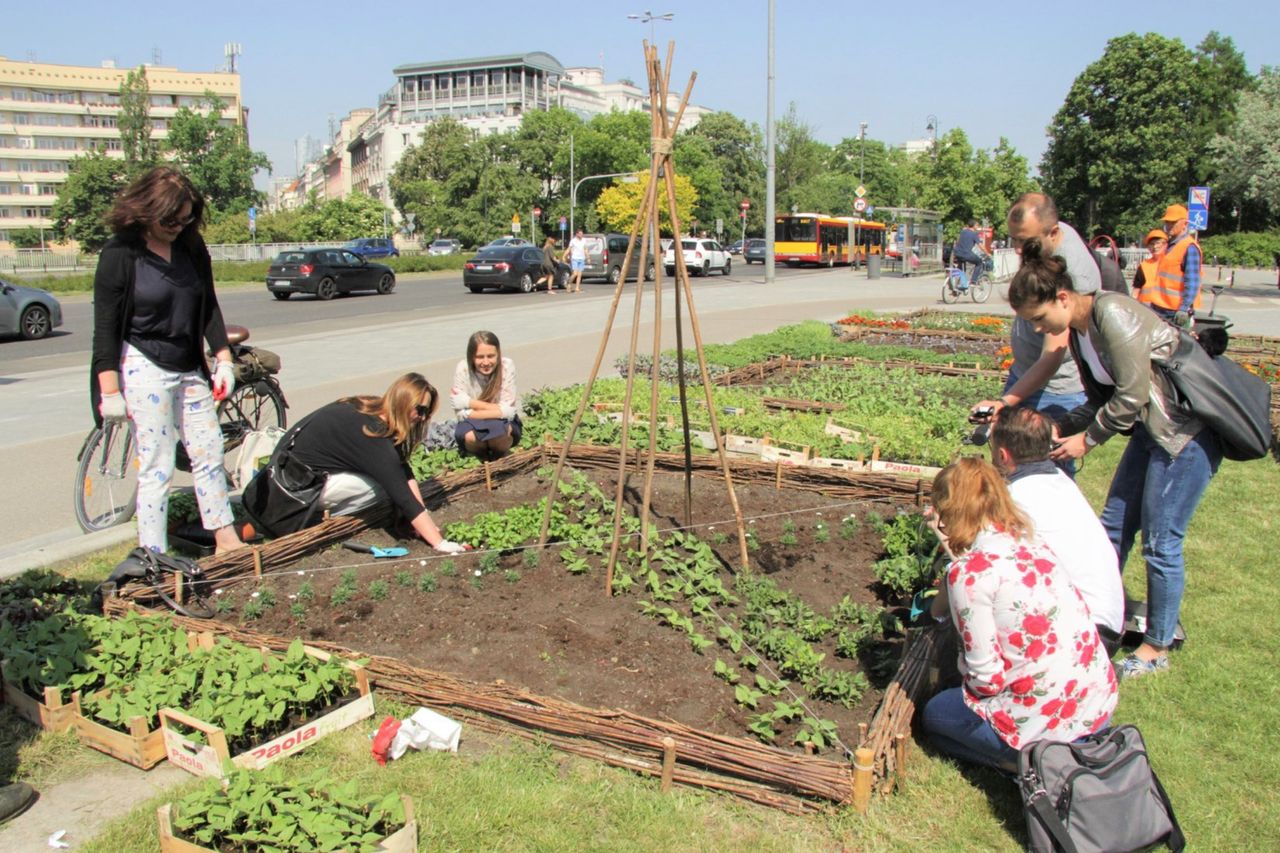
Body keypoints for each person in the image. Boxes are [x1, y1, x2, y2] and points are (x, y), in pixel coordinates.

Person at [1008, 242, 1222, 679]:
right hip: (1151, 432)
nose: (1037, 328)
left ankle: (1156, 646)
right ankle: (1097, 614)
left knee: (1161, 543)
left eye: (1039, 318)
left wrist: (1086, 440)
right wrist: (1065, 425)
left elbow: (1132, 395)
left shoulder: (1112, 315)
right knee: (1114, 526)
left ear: (1063, 298)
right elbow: (1101, 398)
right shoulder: (1084, 334)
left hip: (1183, 436)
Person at [921, 458, 1117, 772]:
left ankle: (1030, 766)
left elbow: (986, 681)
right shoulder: (1030, 540)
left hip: (1048, 724)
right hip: (1095, 703)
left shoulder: (971, 575)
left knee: (935, 715)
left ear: (950, 511)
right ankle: (1046, 756)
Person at [90, 166, 245, 555]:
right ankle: (153, 555)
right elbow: (105, 329)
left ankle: (225, 540)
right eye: (170, 220)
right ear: (146, 211)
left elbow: (208, 304)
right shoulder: (120, 254)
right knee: (157, 464)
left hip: (189, 364)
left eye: (186, 218)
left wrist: (222, 358)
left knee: (208, 451)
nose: (178, 226)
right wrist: (109, 391)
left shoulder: (191, 248)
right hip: (144, 363)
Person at [972, 193, 1102, 476]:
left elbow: (1053, 355)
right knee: (1006, 459)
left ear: (1053, 232)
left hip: (1057, 388)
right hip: (1025, 373)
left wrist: (1005, 402)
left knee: (1046, 468)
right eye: (1014, 239)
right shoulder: (1045, 239)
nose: (1018, 249)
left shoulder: (1073, 274)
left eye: (1024, 241)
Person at [988, 406, 1125, 656]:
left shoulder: (1015, 499)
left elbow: (980, 569)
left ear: (1003, 455)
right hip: (1108, 621)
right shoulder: (1061, 482)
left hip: (1083, 636)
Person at [286, 373, 466, 554]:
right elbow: (401, 493)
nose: (422, 417)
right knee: (381, 488)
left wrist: (423, 516)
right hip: (295, 489)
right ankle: (320, 517)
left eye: (426, 412)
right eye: (420, 409)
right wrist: (439, 543)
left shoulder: (374, 408)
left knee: (390, 479)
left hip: (290, 471)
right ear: (403, 401)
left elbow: (403, 468)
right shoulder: (374, 436)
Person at [451, 330, 521, 460]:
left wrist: (469, 404)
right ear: (471, 356)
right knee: (471, 437)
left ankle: (498, 455)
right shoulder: (462, 368)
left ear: (498, 354)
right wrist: (500, 410)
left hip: (501, 421)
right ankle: (482, 457)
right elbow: (460, 415)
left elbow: (509, 412)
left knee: (500, 437)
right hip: (472, 422)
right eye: (480, 357)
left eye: (491, 356)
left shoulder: (506, 366)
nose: (486, 362)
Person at [1144, 204, 1202, 327]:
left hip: (1174, 311)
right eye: (1167, 222)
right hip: (1159, 306)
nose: (1169, 225)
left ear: (1184, 224)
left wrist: (1184, 308)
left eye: (1173, 222)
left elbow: (1192, 282)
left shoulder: (1189, 247)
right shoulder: (1170, 245)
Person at [1131, 229, 1168, 305]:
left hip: (1166, 310)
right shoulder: (1144, 266)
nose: (1155, 246)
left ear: (1165, 244)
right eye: (1151, 244)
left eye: (1158, 243)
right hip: (1146, 309)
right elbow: (1136, 291)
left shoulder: (1172, 263)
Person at [952, 219, 986, 284]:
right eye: (977, 225)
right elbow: (981, 246)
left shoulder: (963, 231)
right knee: (979, 263)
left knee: (962, 270)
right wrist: (988, 254)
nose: (978, 226)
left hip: (957, 253)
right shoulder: (974, 234)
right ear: (974, 226)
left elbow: (958, 241)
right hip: (966, 254)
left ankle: (956, 288)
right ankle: (973, 281)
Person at [564, 229, 587, 293]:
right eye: (580, 234)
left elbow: (585, 249)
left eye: (582, 234)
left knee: (579, 275)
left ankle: (577, 288)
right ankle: (569, 283)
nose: (581, 235)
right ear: (577, 234)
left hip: (582, 258)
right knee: (575, 273)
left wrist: (588, 257)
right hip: (575, 258)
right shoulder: (573, 241)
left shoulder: (584, 240)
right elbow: (569, 249)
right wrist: (564, 255)